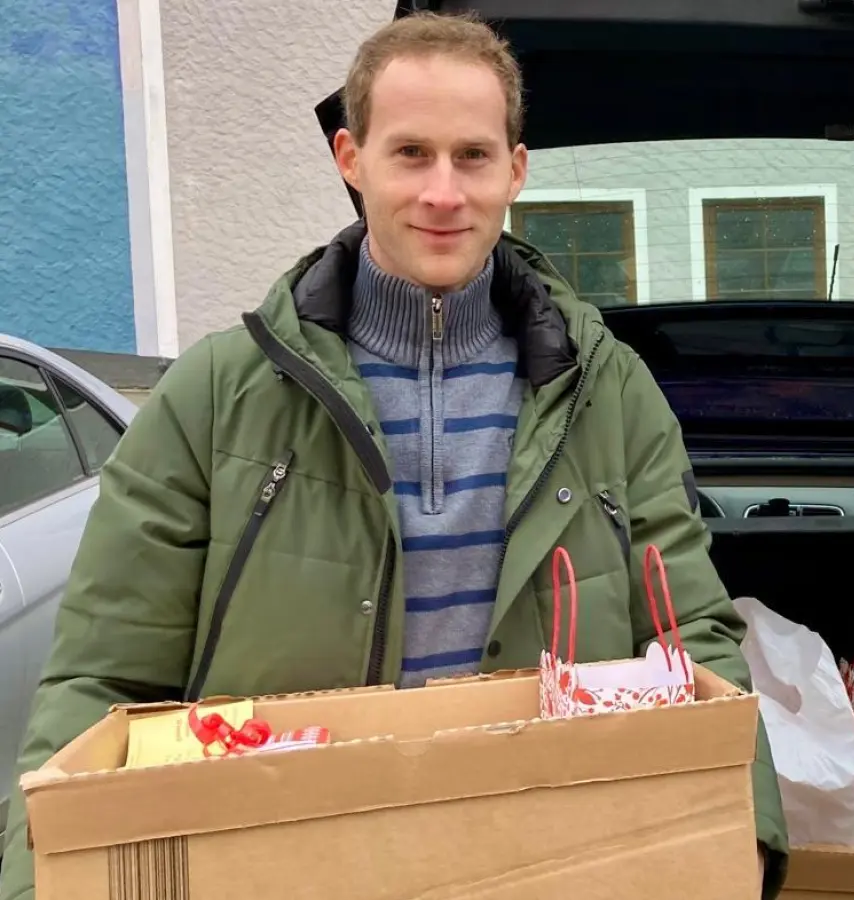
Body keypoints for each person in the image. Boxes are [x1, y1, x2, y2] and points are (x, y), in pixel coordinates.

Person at [0, 12, 788, 899]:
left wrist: (741, 840)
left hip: (551, 863)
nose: (443, 193)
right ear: (351, 158)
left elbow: (696, 643)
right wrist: (45, 878)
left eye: (473, 156)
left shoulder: (610, 392)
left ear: (516, 171)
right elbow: (104, 679)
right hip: (286, 871)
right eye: (411, 153)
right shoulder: (214, 397)